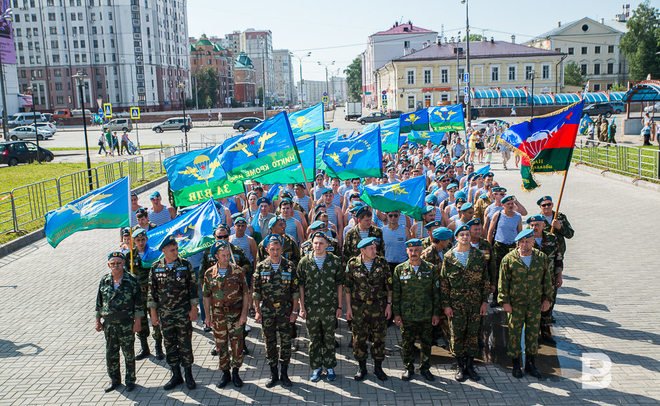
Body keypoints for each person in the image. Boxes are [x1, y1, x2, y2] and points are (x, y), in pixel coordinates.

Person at [498, 229, 553, 380]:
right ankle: (516, 364)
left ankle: (530, 363)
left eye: (528, 241)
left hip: (534, 303)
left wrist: (547, 299)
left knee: (532, 334)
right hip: (516, 305)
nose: (524, 244)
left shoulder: (541, 258)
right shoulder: (509, 259)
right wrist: (505, 302)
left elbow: (547, 280)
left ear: (533, 241)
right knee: (514, 334)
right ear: (518, 243)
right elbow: (503, 282)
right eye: (521, 242)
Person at [148, 236, 198, 390]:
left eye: (176, 249)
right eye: (172, 250)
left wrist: (194, 308)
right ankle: (176, 375)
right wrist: (154, 314)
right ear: (164, 251)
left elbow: (193, 289)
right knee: (169, 344)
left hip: (183, 313)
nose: (176, 252)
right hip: (165, 314)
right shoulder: (156, 267)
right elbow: (152, 293)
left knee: (185, 344)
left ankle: (188, 375)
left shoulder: (185, 265)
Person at [441, 225, 489, 382]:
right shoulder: (449, 257)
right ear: (456, 237)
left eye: (467, 234)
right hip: (456, 304)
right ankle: (460, 366)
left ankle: (470, 366)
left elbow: (485, 280)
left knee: (473, 335)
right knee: (458, 335)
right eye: (461, 234)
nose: (465, 237)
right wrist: (446, 305)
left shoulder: (478, 255)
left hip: (475, 303)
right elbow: (444, 283)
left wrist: (484, 302)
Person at [253, 234, 300, 388]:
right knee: (270, 342)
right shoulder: (261, 267)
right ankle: (274, 374)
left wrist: (294, 311)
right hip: (267, 311)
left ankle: (285, 374)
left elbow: (295, 291)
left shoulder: (289, 266)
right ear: (267, 250)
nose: (275, 252)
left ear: (282, 249)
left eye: (277, 249)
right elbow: (256, 292)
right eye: (272, 249)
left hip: (285, 311)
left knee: (286, 342)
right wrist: (257, 311)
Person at [202, 240, 250, 389]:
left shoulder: (237, 271)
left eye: (228, 255)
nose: (226, 258)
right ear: (216, 256)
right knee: (221, 345)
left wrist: (244, 315)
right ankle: (225, 373)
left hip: (235, 314)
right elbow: (206, 296)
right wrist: (208, 318)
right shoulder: (209, 273)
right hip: (218, 315)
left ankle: (236, 372)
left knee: (237, 345)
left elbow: (246, 294)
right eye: (223, 255)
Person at [297, 231, 344, 382]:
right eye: (315, 243)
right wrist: (302, 307)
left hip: (329, 307)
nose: (318, 246)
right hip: (312, 308)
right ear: (311, 244)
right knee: (314, 339)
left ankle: (329, 367)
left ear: (327, 245)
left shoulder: (335, 261)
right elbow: (301, 286)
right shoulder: (304, 261)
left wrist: (339, 306)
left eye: (321, 243)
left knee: (329, 338)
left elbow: (339, 285)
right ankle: (316, 368)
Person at [344, 237, 392, 382]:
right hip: (359, 308)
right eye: (371, 248)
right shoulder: (352, 264)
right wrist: (349, 309)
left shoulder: (382, 263)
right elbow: (348, 288)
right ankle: (362, 368)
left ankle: (378, 368)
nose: (374, 250)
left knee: (379, 338)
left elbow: (389, 286)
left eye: (375, 248)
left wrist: (389, 305)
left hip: (379, 307)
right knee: (359, 339)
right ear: (362, 250)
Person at [392, 239, 441, 382]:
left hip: (426, 314)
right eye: (411, 250)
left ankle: (425, 368)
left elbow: (436, 293)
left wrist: (436, 313)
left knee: (426, 343)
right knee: (407, 343)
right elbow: (396, 294)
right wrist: (397, 314)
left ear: (421, 251)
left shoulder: (431, 269)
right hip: (407, 315)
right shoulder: (399, 269)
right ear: (407, 251)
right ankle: (408, 368)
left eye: (417, 250)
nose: (414, 253)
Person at [95, 252, 143, 393]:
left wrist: (138, 321)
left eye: (119, 263)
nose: (116, 266)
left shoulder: (132, 280)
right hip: (109, 325)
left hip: (126, 323)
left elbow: (139, 304)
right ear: (108, 265)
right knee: (111, 354)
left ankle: (130, 380)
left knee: (128, 353)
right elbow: (99, 302)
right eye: (113, 263)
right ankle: (114, 380)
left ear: (123, 264)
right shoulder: (104, 280)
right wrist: (97, 320)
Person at [526, 215, 563, 345]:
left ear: (543, 225)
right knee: (534, 308)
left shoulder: (552, 238)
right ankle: (533, 335)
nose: (534, 227)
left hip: (550, 280)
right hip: (533, 281)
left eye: (537, 225)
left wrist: (559, 275)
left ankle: (546, 333)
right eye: (532, 225)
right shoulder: (525, 239)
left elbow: (558, 257)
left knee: (548, 306)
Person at [128, 228, 164, 361]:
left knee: (155, 321)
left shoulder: (154, 254)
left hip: (152, 293)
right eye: (138, 240)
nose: (141, 242)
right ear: (134, 241)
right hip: (138, 295)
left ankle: (159, 348)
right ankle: (144, 348)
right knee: (141, 322)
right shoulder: (130, 256)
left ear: (146, 239)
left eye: (143, 239)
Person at [487, 195, 522, 307]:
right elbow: (490, 231)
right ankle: (496, 298)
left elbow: (520, 233)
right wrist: (489, 247)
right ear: (503, 205)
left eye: (512, 203)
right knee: (497, 272)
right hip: (499, 246)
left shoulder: (518, 217)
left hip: (512, 247)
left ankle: (509, 298)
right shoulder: (498, 215)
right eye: (508, 204)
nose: (511, 206)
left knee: (511, 273)